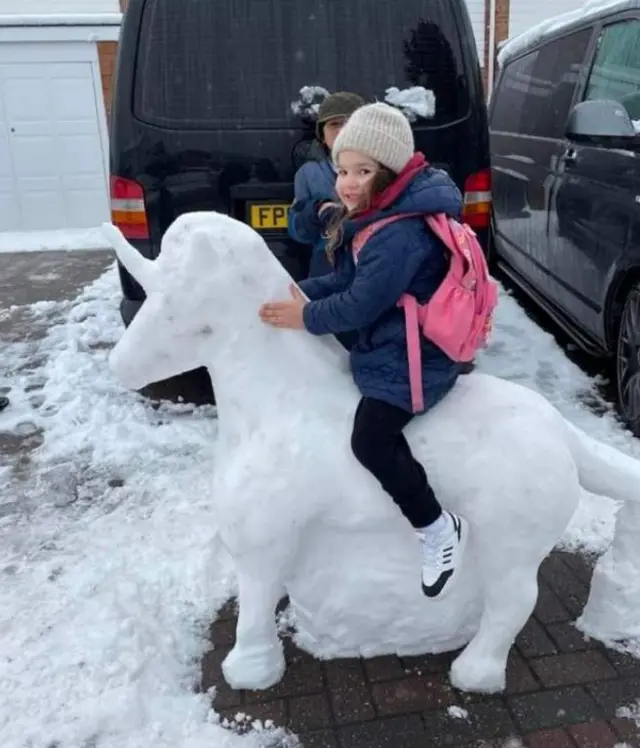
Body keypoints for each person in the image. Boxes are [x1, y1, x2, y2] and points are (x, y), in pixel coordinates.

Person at [259, 102, 468, 599]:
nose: (348, 183)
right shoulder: (379, 216)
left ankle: (437, 527)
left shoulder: (400, 232)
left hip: (417, 359)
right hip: (393, 341)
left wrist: (304, 316)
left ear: (390, 171)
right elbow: (347, 279)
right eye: (343, 171)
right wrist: (295, 288)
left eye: (363, 171)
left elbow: (358, 304)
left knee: (370, 441)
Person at [288, 91, 365, 278]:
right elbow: (298, 230)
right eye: (334, 124)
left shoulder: (382, 168)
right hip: (327, 267)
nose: (341, 130)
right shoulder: (308, 174)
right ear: (322, 134)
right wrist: (316, 211)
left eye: (349, 123)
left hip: (372, 262)